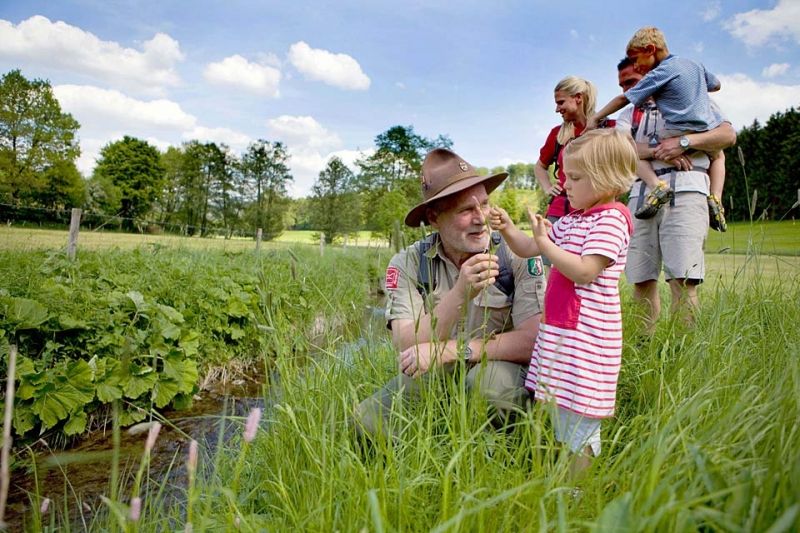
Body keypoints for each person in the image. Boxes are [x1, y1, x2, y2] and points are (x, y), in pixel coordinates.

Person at [353, 148, 546, 439]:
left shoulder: (516, 254)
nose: (481, 218)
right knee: (367, 422)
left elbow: (535, 341)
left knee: (486, 387)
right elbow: (405, 343)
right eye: (466, 211)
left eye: (484, 204)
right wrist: (459, 294)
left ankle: (510, 458)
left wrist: (449, 351)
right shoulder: (407, 264)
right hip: (434, 374)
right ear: (434, 217)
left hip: (497, 370)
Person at [489, 128, 636, 477]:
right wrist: (510, 228)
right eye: (565, 176)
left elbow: (585, 271)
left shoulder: (612, 219)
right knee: (561, 413)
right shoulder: (572, 219)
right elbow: (529, 249)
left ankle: (576, 490)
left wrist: (547, 244)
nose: (565, 185)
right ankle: (562, 476)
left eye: (576, 178)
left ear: (607, 178)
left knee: (581, 422)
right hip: (561, 336)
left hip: (586, 340)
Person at [615, 57, 737, 333]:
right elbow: (621, 151)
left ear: (650, 76)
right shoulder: (629, 113)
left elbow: (726, 137)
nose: (627, 90)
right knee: (641, 279)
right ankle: (645, 347)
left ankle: (681, 354)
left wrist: (684, 143)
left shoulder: (690, 100)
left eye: (632, 82)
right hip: (640, 196)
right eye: (622, 85)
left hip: (687, 189)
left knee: (683, 278)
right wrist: (666, 151)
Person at [589, 26, 728, 230]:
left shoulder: (660, 73)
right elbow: (715, 85)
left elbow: (622, 100)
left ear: (650, 49)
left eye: (636, 59)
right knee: (719, 156)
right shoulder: (694, 65)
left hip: (675, 131)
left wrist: (597, 117)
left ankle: (657, 187)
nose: (637, 66)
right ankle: (716, 198)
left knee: (637, 153)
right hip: (704, 128)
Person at [534, 76, 613, 274]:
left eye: (561, 102)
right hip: (560, 211)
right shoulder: (557, 134)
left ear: (578, 98)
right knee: (548, 268)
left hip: (596, 213)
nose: (557, 109)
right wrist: (547, 187)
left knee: (589, 269)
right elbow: (540, 166)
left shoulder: (609, 129)